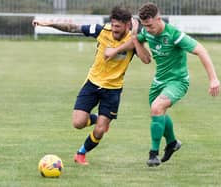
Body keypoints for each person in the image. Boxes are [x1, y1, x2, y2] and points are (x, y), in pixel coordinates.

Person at [105, 2, 220, 167]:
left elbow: (201, 50)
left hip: (177, 81)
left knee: (157, 108)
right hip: (158, 82)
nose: (148, 29)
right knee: (158, 113)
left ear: (158, 19)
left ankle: (153, 154)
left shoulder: (174, 35)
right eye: (145, 26)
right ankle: (172, 143)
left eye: (150, 25)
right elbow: (135, 40)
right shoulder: (147, 32)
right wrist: (115, 50)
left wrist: (213, 79)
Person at [32, 5, 150, 165]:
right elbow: (73, 28)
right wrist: (48, 24)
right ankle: (99, 120)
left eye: (118, 27)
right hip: (92, 84)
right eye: (113, 25)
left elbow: (146, 59)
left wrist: (135, 38)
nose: (114, 29)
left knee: (100, 130)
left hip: (113, 90)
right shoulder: (102, 31)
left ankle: (81, 153)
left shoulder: (133, 39)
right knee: (78, 123)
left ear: (128, 25)